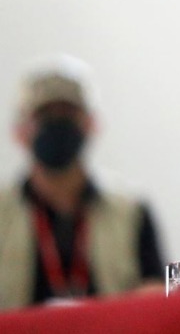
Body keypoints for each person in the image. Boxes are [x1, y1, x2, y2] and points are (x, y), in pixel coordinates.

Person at [0, 57, 165, 308]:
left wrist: (156, 295)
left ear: (91, 124)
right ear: (20, 131)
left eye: (68, 114)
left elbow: (160, 288)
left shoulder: (131, 211)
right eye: (45, 115)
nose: (57, 124)